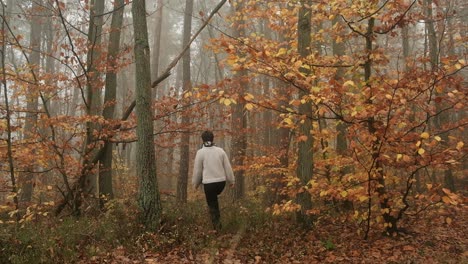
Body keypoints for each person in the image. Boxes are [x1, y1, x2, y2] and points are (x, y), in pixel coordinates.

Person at [192, 130, 235, 231]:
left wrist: (195, 184)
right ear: (213, 138)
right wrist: (231, 181)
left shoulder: (200, 152)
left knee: (212, 205)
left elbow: (197, 171)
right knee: (214, 200)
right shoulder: (220, 151)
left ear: (203, 140)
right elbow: (227, 167)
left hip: (209, 184)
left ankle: (217, 228)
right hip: (221, 183)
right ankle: (217, 225)